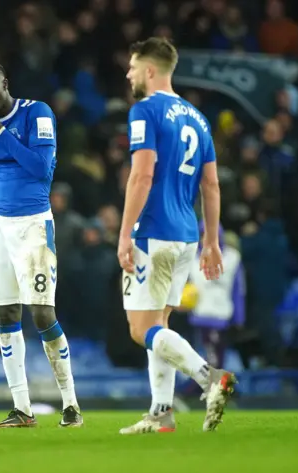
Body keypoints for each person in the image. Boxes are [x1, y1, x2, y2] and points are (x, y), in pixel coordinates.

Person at [116, 37, 236, 435]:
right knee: (160, 324)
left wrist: (124, 234)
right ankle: (161, 413)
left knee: (140, 329)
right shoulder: (199, 118)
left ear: (150, 70)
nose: (128, 73)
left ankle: (209, 378)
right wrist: (212, 241)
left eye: (133, 67)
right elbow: (212, 185)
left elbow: (143, 174)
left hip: (153, 231)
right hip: (186, 234)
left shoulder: (144, 110)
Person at [0, 59, 82, 428]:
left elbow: (40, 168)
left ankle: (71, 404)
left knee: (42, 314)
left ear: (5, 83)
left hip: (33, 226)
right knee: (5, 313)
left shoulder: (37, 114)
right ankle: (22, 409)